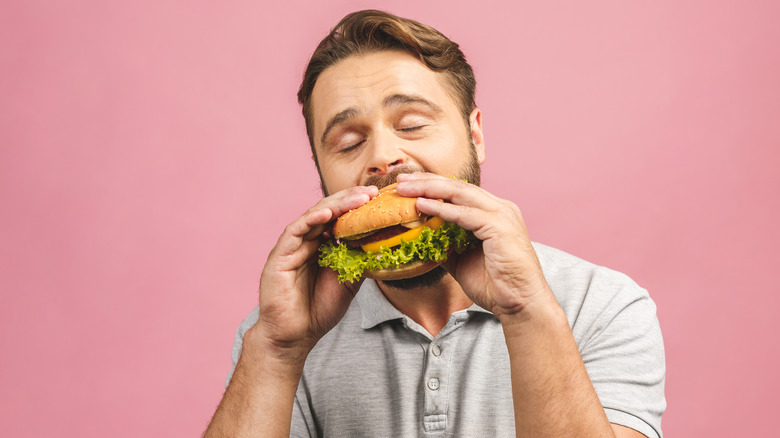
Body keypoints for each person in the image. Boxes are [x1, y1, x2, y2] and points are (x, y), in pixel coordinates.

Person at [204, 9, 665, 438]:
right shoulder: (282, 331)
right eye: (347, 143)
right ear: (320, 170)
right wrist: (276, 351)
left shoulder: (602, 304)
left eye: (412, 124)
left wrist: (526, 311)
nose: (383, 156)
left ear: (475, 136)